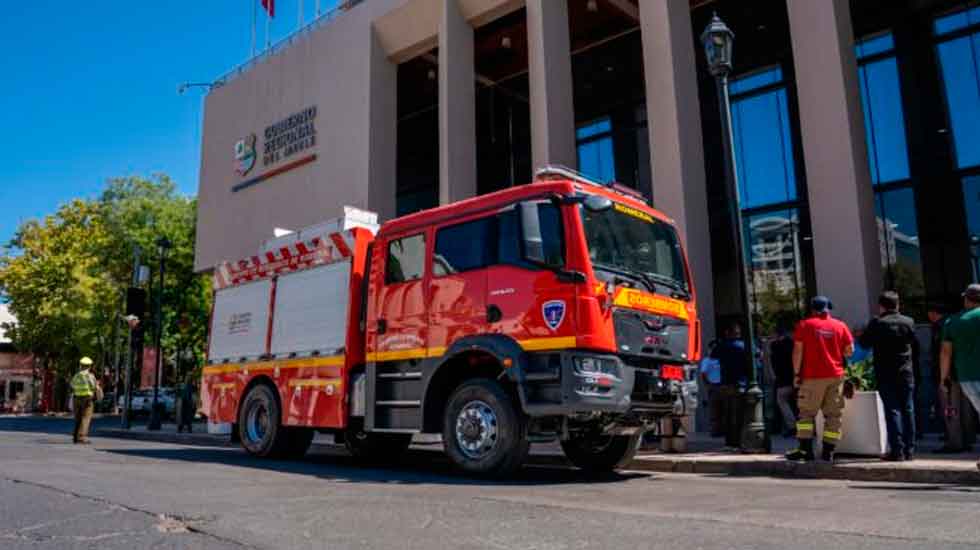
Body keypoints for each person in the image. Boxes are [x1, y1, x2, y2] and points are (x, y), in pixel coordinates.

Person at [786, 296, 854, 463]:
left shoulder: (805, 325)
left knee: (806, 415)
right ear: (828, 309)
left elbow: (798, 351)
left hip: (811, 377)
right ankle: (828, 452)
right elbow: (849, 351)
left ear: (812, 309)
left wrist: (796, 374)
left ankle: (806, 451)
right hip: (835, 376)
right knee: (833, 415)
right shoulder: (840, 325)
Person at [859, 291, 919, 461]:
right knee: (908, 408)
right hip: (905, 371)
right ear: (898, 304)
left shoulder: (877, 323)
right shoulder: (908, 321)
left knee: (893, 410)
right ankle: (910, 450)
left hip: (885, 371)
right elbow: (913, 342)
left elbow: (864, 343)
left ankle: (897, 451)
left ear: (881, 306)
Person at [939, 284, 980, 471]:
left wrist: (943, 378)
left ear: (967, 299)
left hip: (967, 378)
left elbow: (946, 352)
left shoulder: (952, 321)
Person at [710, 320, 749, 449]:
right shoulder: (744, 346)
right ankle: (739, 441)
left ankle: (730, 442)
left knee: (727, 414)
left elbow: (712, 360)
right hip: (741, 384)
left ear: (727, 333)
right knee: (740, 415)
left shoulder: (721, 347)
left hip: (726, 384)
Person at [770, 324, 797, 437]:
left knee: (782, 401)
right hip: (795, 378)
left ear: (777, 334)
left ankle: (792, 426)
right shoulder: (792, 344)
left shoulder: (775, 346)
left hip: (783, 380)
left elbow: (772, 362)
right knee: (797, 404)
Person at [70, 357, 99, 444]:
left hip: (76, 398)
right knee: (85, 418)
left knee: (78, 418)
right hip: (87, 399)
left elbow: (72, 385)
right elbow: (94, 387)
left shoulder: (76, 375)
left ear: (81, 366)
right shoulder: (89, 376)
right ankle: (81, 438)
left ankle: (75, 436)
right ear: (89, 366)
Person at [699, 341, 723, 437]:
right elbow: (703, 374)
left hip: (723, 385)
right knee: (714, 409)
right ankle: (714, 431)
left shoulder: (721, 360)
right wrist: (708, 385)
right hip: (713, 386)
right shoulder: (706, 361)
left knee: (723, 408)